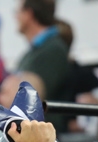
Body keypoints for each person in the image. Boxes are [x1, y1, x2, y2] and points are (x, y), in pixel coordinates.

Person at [15, 0, 70, 130]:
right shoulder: (38, 50)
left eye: (17, 11)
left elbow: (33, 99)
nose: (15, 17)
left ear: (28, 14)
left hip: (45, 133)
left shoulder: (53, 49)